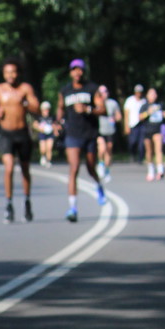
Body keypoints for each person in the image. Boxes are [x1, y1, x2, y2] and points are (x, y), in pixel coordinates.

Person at [0, 57, 40, 223]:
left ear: (18, 73)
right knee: (8, 168)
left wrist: (26, 103)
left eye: (13, 72)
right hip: (6, 133)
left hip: (22, 133)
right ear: (3, 74)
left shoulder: (25, 88)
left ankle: (27, 201)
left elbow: (36, 107)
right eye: (7, 72)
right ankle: (8, 204)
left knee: (25, 169)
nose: (10, 75)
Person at [56, 58, 107, 221]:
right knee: (74, 168)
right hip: (72, 134)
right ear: (71, 72)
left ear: (84, 71)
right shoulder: (65, 90)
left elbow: (103, 109)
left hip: (90, 134)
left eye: (80, 69)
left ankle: (98, 186)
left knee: (91, 167)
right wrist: (58, 123)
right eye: (74, 69)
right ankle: (73, 208)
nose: (77, 72)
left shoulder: (92, 88)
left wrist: (87, 109)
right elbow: (60, 109)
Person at [139, 86, 165, 180]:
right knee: (149, 151)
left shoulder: (160, 105)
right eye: (151, 94)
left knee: (158, 149)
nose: (153, 95)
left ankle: (160, 170)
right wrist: (148, 112)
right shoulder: (144, 106)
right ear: (147, 95)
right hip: (147, 130)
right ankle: (151, 170)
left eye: (154, 93)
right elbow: (140, 117)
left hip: (158, 130)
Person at [96, 85, 122, 182]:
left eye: (105, 91)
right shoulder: (97, 103)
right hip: (100, 130)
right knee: (102, 148)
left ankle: (106, 170)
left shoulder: (113, 103)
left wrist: (114, 119)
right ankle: (100, 164)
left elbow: (119, 116)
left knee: (109, 150)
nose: (104, 94)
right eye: (101, 92)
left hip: (110, 130)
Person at [123, 84, 146, 163]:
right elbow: (126, 114)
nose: (139, 93)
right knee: (132, 141)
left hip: (142, 124)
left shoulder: (144, 101)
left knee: (141, 143)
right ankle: (132, 154)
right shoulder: (130, 100)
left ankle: (140, 158)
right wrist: (126, 125)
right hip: (132, 124)